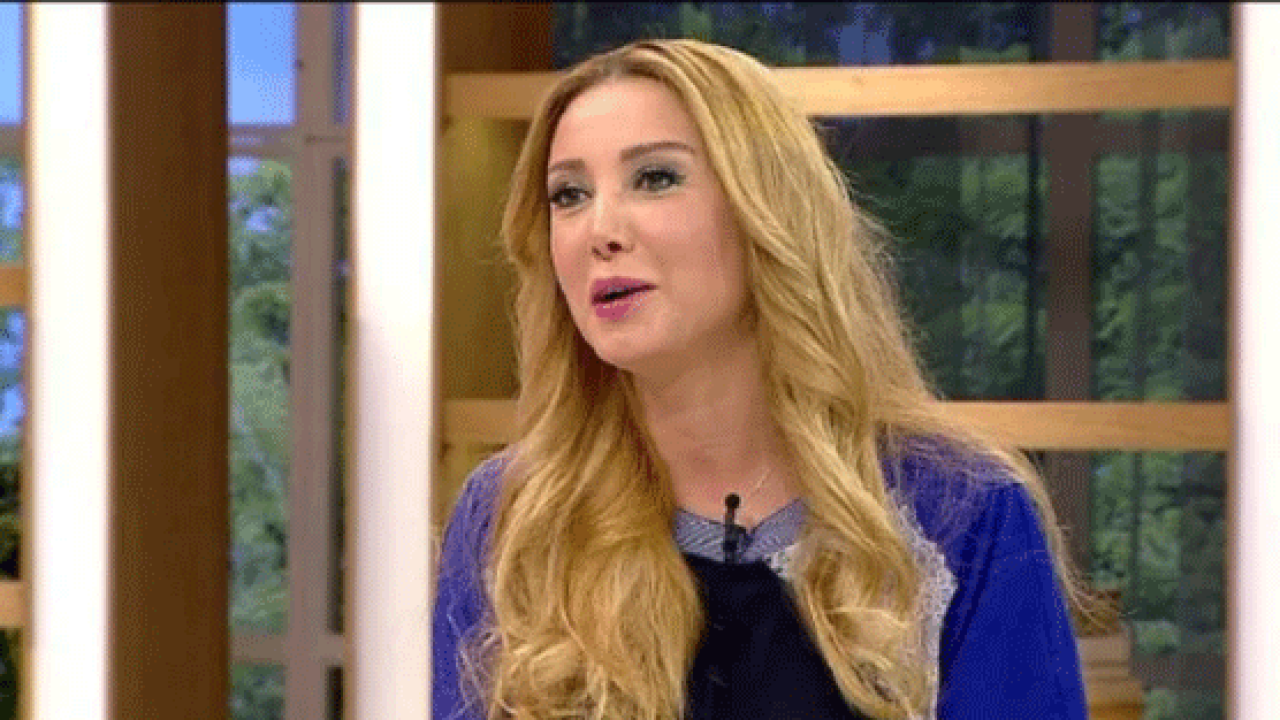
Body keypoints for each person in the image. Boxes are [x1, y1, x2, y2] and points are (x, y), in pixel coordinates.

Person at [433, 38, 1089, 720]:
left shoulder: (963, 511)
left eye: (655, 178)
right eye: (568, 195)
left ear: (767, 211)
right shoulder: (511, 519)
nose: (600, 230)